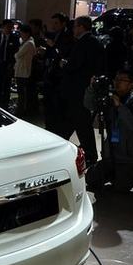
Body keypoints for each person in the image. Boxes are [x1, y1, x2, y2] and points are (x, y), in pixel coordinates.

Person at [84, 69, 133, 192]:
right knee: (90, 179)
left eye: (122, 80)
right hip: (110, 154)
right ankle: (113, 175)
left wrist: (119, 106)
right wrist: (91, 88)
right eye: (116, 79)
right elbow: (89, 105)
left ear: (131, 85)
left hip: (127, 157)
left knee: (121, 187)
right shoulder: (109, 99)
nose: (117, 83)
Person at [58, 16, 104, 166]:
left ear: (81, 27)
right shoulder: (94, 42)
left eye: (75, 26)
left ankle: (89, 154)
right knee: (75, 121)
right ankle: (71, 148)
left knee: (81, 122)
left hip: (78, 89)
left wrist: (65, 64)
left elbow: (75, 65)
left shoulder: (84, 43)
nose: (73, 29)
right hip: (83, 88)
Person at [42, 13, 74, 133]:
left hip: (58, 77)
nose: (53, 26)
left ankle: (55, 129)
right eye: (52, 23)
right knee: (48, 105)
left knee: (56, 106)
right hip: (49, 74)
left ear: (63, 24)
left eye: (56, 23)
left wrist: (53, 46)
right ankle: (49, 127)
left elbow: (62, 54)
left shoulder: (67, 37)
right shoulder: (54, 35)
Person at [0, 19, 20, 110]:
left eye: (11, 27)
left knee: (7, 85)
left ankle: (5, 104)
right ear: (3, 27)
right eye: (8, 27)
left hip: (8, 64)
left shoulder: (14, 38)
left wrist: (12, 64)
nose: (9, 29)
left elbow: (16, 51)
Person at [14, 24, 36, 116]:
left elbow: (17, 55)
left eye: (22, 33)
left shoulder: (28, 43)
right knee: (22, 93)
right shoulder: (28, 42)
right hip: (23, 71)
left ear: (27, 33)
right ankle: (22, 110)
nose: (21, 35)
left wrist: (15, 54)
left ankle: (21, 111)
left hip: (23, 71)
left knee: (22, 94)